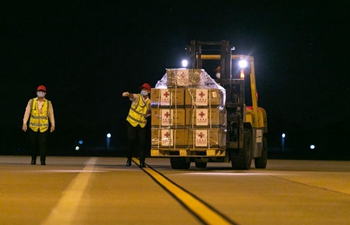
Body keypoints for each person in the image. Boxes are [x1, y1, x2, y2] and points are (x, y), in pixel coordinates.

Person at [22, 85, 55, 165]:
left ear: (45, 93)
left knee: (43, 143)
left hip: (44, 127)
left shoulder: (48, 103)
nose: (41, 93)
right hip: (33, 126)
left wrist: (53, 124)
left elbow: (51, 114)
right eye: (39, 91)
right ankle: (33, 159)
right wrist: (24, 122)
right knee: (33, 143)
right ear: (36, 92)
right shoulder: (32, 101)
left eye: (42, 91)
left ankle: (43, 160)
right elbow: (27, 112)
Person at [122, 83, 151, 167]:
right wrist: (128, 94)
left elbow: (150, 111)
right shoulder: (138, 97)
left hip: (142, 124)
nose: (143, 91)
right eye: (142, 89)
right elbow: (132, 96)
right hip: (131, 122)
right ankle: (129, 159)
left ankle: (142, 162)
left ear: (148, 92)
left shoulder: (149, 102)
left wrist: (149, 114)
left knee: (142, 143)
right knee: (130, 141)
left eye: (145, 90)